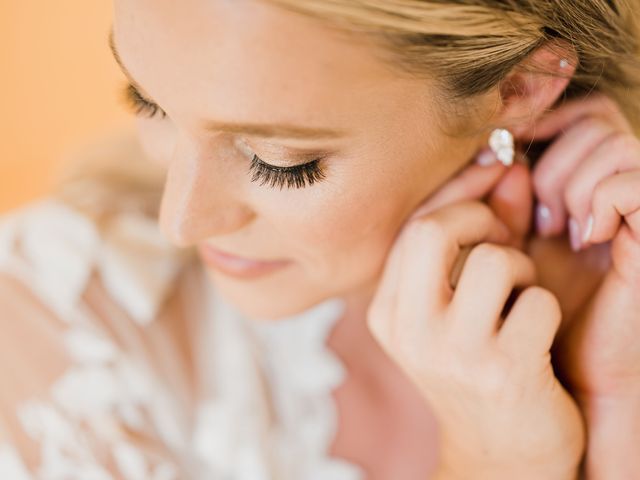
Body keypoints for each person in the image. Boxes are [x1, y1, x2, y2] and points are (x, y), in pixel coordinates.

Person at [1, 0, 639, 478]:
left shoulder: (621, 297)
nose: (182, 221)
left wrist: (613, 408)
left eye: (281, 162)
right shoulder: (49, 324)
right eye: (148, 101)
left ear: (518, 90)